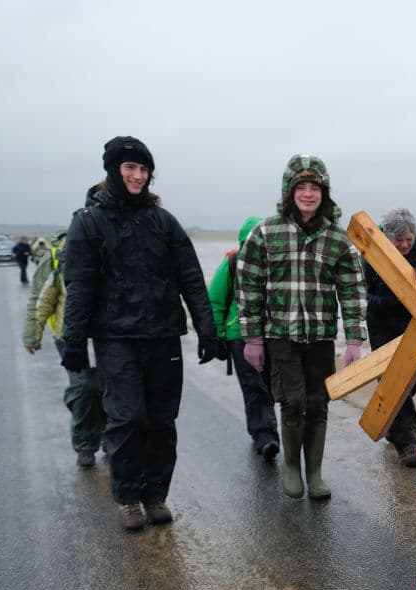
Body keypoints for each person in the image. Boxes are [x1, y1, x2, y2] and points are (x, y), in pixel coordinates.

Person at [62, 136, 221, 531]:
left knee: (162, 421)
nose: (137, 175)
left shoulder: (163, 221)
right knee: (127, 418)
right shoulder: (89, 222)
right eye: (130, 167)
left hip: (163, 335)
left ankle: (156, 495)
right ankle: (129, 496)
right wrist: (74, 342)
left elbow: (191, 278)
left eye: (143, 169)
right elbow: (79, 286)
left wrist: (206, 329)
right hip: (115, 338)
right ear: (114, 170)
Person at [237, 154, 366, 500]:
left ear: (324, 193)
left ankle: (315, 471)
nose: (308, 194)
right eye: (301, 187)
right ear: (289, 191)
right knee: (292, 402)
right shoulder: (266, 232)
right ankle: (291, 467)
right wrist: (252, 337)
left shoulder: (337, 240)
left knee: (318, 402)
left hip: (320, 337)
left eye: (315, 188)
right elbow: (248, 284)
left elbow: (353, 289)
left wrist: (354, 338)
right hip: (280, 334)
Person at [23, 223, 105, 468]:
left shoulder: (117, 242)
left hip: (111, 336)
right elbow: (41, 298)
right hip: (71, 336)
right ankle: (86, 444)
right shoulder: (61, 256)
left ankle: (113, 439)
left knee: (113, 388)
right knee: (85, 388)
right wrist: (32, 335)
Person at [363, 208, 416, 467]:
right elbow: (364, 296)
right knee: (392, 378)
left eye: (409, 239)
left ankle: (393, 424)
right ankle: (407, 445)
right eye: (399, 240)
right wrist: (395, 300)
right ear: (388, 237)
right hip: (381, 325)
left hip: (415, 325)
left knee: (412, 379)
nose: (405, 244)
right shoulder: (371, 256)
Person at [207, 215, 280, 460]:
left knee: (269, 384)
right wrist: (217, 335)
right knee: (253, 385)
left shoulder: (278, 264)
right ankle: (265, 435)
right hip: (239, 335)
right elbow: (215, 300)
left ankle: (267, 426)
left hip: (274, 335)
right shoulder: (232, 262)